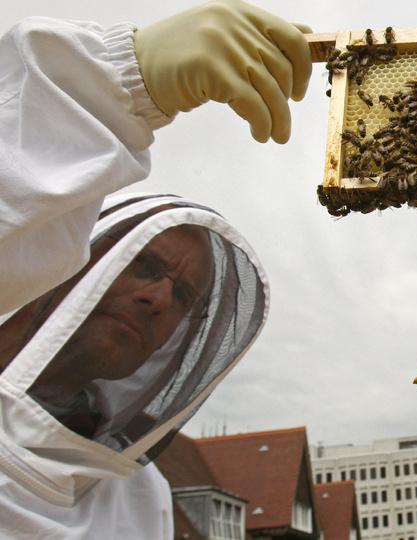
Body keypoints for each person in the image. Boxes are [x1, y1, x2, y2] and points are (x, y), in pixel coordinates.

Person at [0, 0, 308, 537]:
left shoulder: (141, 499)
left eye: (184, 296)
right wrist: (110, 86)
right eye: (142, 264)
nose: (159, 299)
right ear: (75, 256)